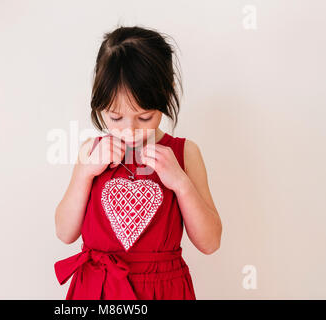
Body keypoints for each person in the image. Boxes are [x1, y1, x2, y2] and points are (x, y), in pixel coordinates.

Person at [54, 25, 222, 300]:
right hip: (98, 290)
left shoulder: (185, 153)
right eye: (115, 117)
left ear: (164, 100)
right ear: (99, 104)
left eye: (144, 117)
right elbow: (64, 232)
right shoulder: (90, 151)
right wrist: (84, 174)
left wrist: (181, 184)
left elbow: (210, 242)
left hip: (163, 290)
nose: (129, 129)